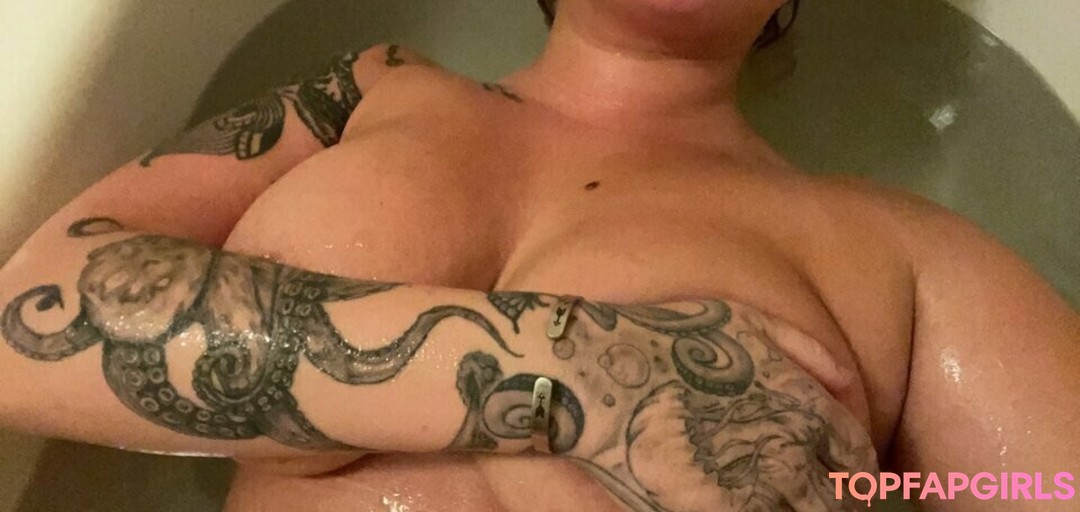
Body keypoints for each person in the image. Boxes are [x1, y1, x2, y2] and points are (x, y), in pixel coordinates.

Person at [1, 0, 1076, 510]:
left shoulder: (897, 245)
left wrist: (868, 495)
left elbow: (1043, 482)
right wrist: (578, 370)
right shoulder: (369, 90)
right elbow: (30, 314)